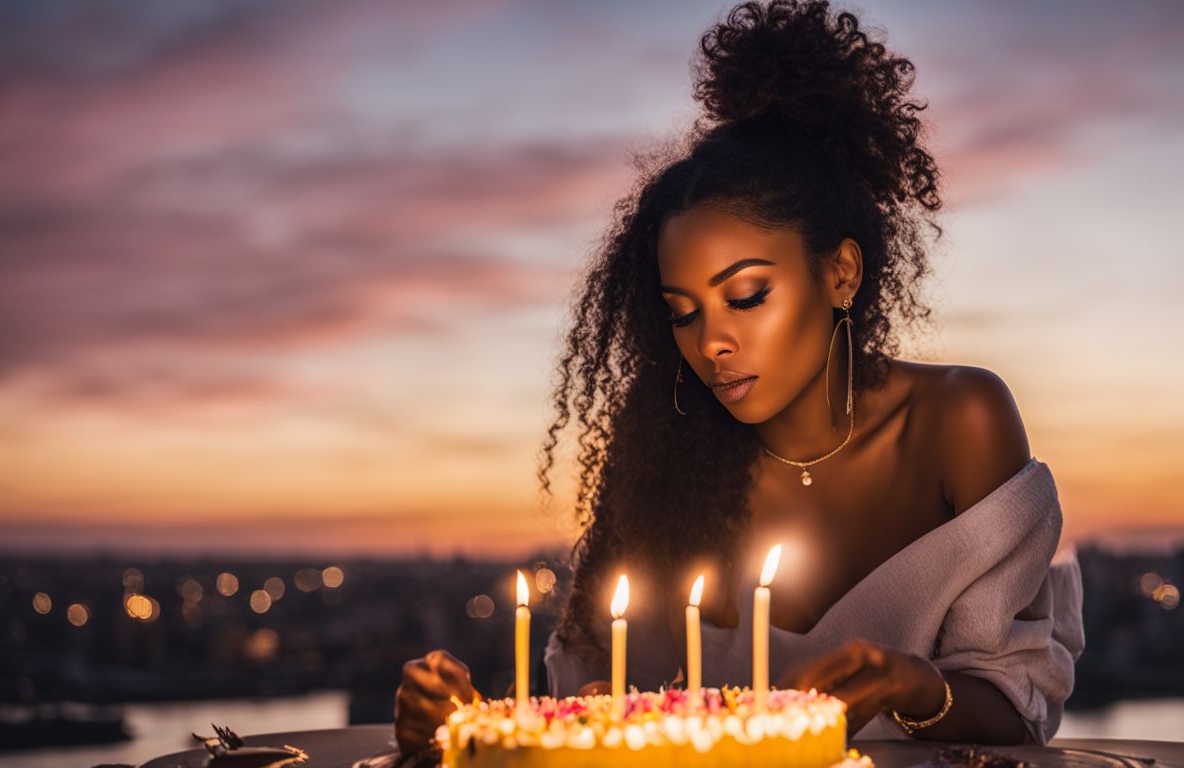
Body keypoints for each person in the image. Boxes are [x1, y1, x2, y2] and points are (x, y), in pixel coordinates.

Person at [395, 0, 1083, 755]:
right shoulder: (669, 456)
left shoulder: (961, 420)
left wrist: (912, 684)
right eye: (683, 314)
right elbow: (593, 702)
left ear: (841, 272)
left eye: (747, 296)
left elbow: (1020, 711)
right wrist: (457, 724)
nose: (712, 342)